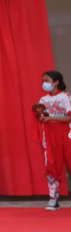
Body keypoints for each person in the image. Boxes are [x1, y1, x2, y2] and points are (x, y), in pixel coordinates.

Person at [33, 70, 71, 211]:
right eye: (43, 80)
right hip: (49, 135)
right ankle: (53, 199)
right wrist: (41, 116)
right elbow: (42, 118)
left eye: (47, 80)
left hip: (66, 133)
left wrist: (52, 118)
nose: (44, 83)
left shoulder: (66, 97)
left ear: (56, 82)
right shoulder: (43, 100)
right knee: (52, 165)